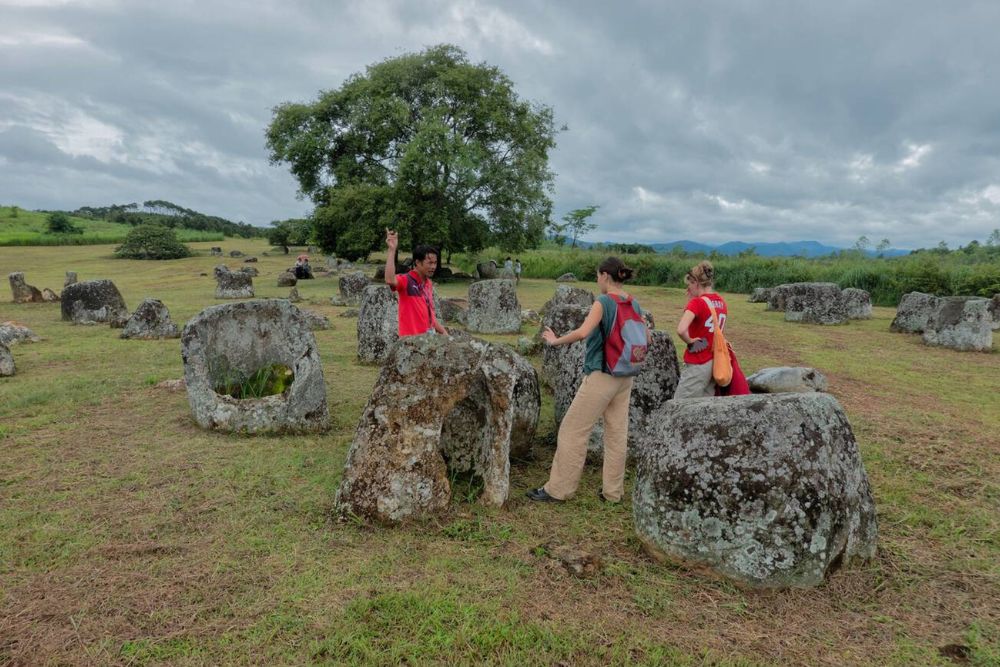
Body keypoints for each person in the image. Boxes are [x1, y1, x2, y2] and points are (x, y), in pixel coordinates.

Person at [527, 257, 647, 503]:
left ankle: (558, 490)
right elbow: (648, 338)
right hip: (625, 376)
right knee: (616, 434)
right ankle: (613, 493)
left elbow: (583, 332)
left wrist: (554, 341)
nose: (597, 280)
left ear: (604, 275)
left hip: (602, 375)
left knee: (573, 430)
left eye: (597, 275)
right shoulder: (633, 302)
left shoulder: (603, 302)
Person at [673, 260, 748, 398]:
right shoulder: (721, 302)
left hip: (698, 362)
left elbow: (681, 329)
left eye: (689, 284)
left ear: (695, 282)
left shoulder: (697, 302)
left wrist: (690, 341)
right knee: (705, 406)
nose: (688, 288)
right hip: (715, 363)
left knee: (680, 404)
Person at [384, 229, 447, 337]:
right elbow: (390, 280)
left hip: (427, 342)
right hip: (410, 345)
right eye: (430, 263)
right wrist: (391, 250)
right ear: (417, 262)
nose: (433, 267)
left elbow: (430, 316)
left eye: (435, 263)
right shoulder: (406, 280)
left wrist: (445, 333)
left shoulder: (428, 284)